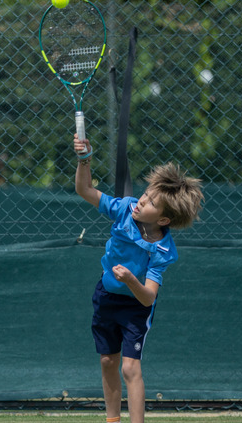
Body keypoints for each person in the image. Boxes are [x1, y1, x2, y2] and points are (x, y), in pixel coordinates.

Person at [73, 135, 203, 423]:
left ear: (164, 220)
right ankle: (112, 420)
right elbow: (84, 189)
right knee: (108, 360)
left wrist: (131, 279)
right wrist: (85, 160)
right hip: (106, 296)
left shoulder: (163, 249)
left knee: (130, 368)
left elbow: (148, 297)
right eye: (144, 195)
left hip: (135, 308)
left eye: (150, 203)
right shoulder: (123, 209)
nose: (141, 202)